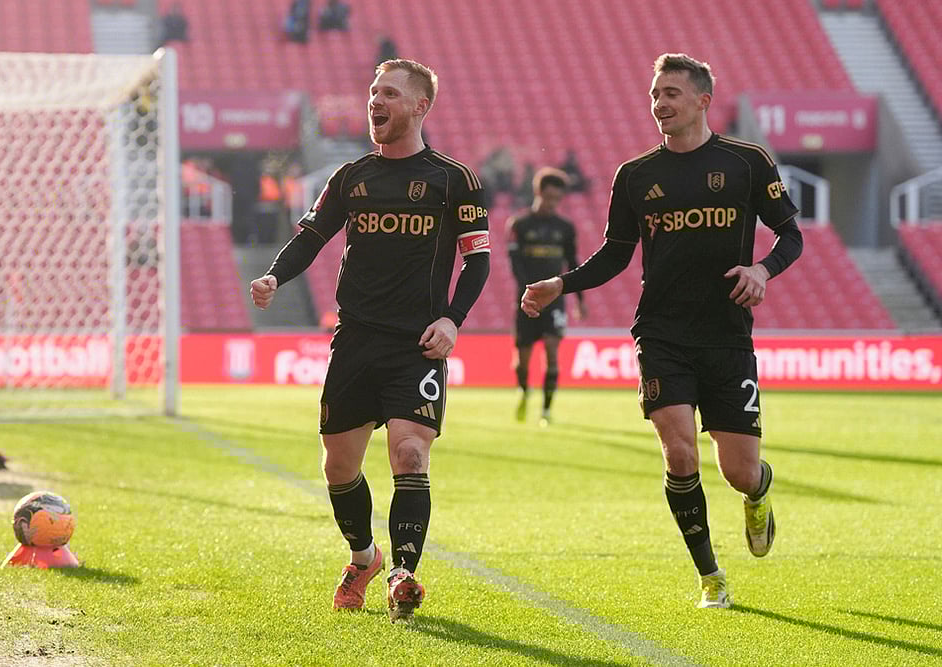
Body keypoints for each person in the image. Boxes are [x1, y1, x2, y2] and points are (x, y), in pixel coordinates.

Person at [521, 53, 803, 609]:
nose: (660, 104)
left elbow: (790, 235)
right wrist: (563, 282)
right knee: (680, 454)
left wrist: (761, 269)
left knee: (739, 472)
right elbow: (615, 255)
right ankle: (711, 577)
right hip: (661, 334)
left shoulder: (748, 163)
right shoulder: (636, 175)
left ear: (702, 100)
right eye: (655, 95)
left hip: (726, 336)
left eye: (671, 93)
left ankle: (760, 491)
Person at [250, 59, 490, 621]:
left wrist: (452, 319)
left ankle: (405, 573)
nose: (375, 102)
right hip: (355, 339)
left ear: (419, 106)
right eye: (372, 93)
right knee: (338, 466)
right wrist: (274, 277)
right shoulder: (351, 177)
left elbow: (477, 261)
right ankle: (365, 557)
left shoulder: (455, 180)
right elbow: (309, 237)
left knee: (410, 451)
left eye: (388, 93)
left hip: (417, 344)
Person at [507, 167, 585, 426]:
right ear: (538, 192)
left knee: (552, 352)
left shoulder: (565, 228)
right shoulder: (519, 225)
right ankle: (523, 391)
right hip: (526, 298)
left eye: (556, 199)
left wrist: (580, 301)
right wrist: (528, 293)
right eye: (548, 197)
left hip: (554, 300)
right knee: (524, 358)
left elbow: (573, 263)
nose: (552, 204)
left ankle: (546, 411)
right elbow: (515, 265)